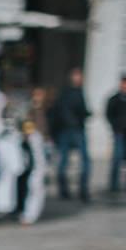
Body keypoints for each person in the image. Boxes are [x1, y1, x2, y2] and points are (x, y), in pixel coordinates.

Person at [51, 67, 91, 201]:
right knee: (70, 161)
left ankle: (75, 190)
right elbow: (63, 112)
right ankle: (71, 190)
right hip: (71, 130)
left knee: (72, 161)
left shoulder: (77, 92)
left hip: (72, 129)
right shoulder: (70, 93)